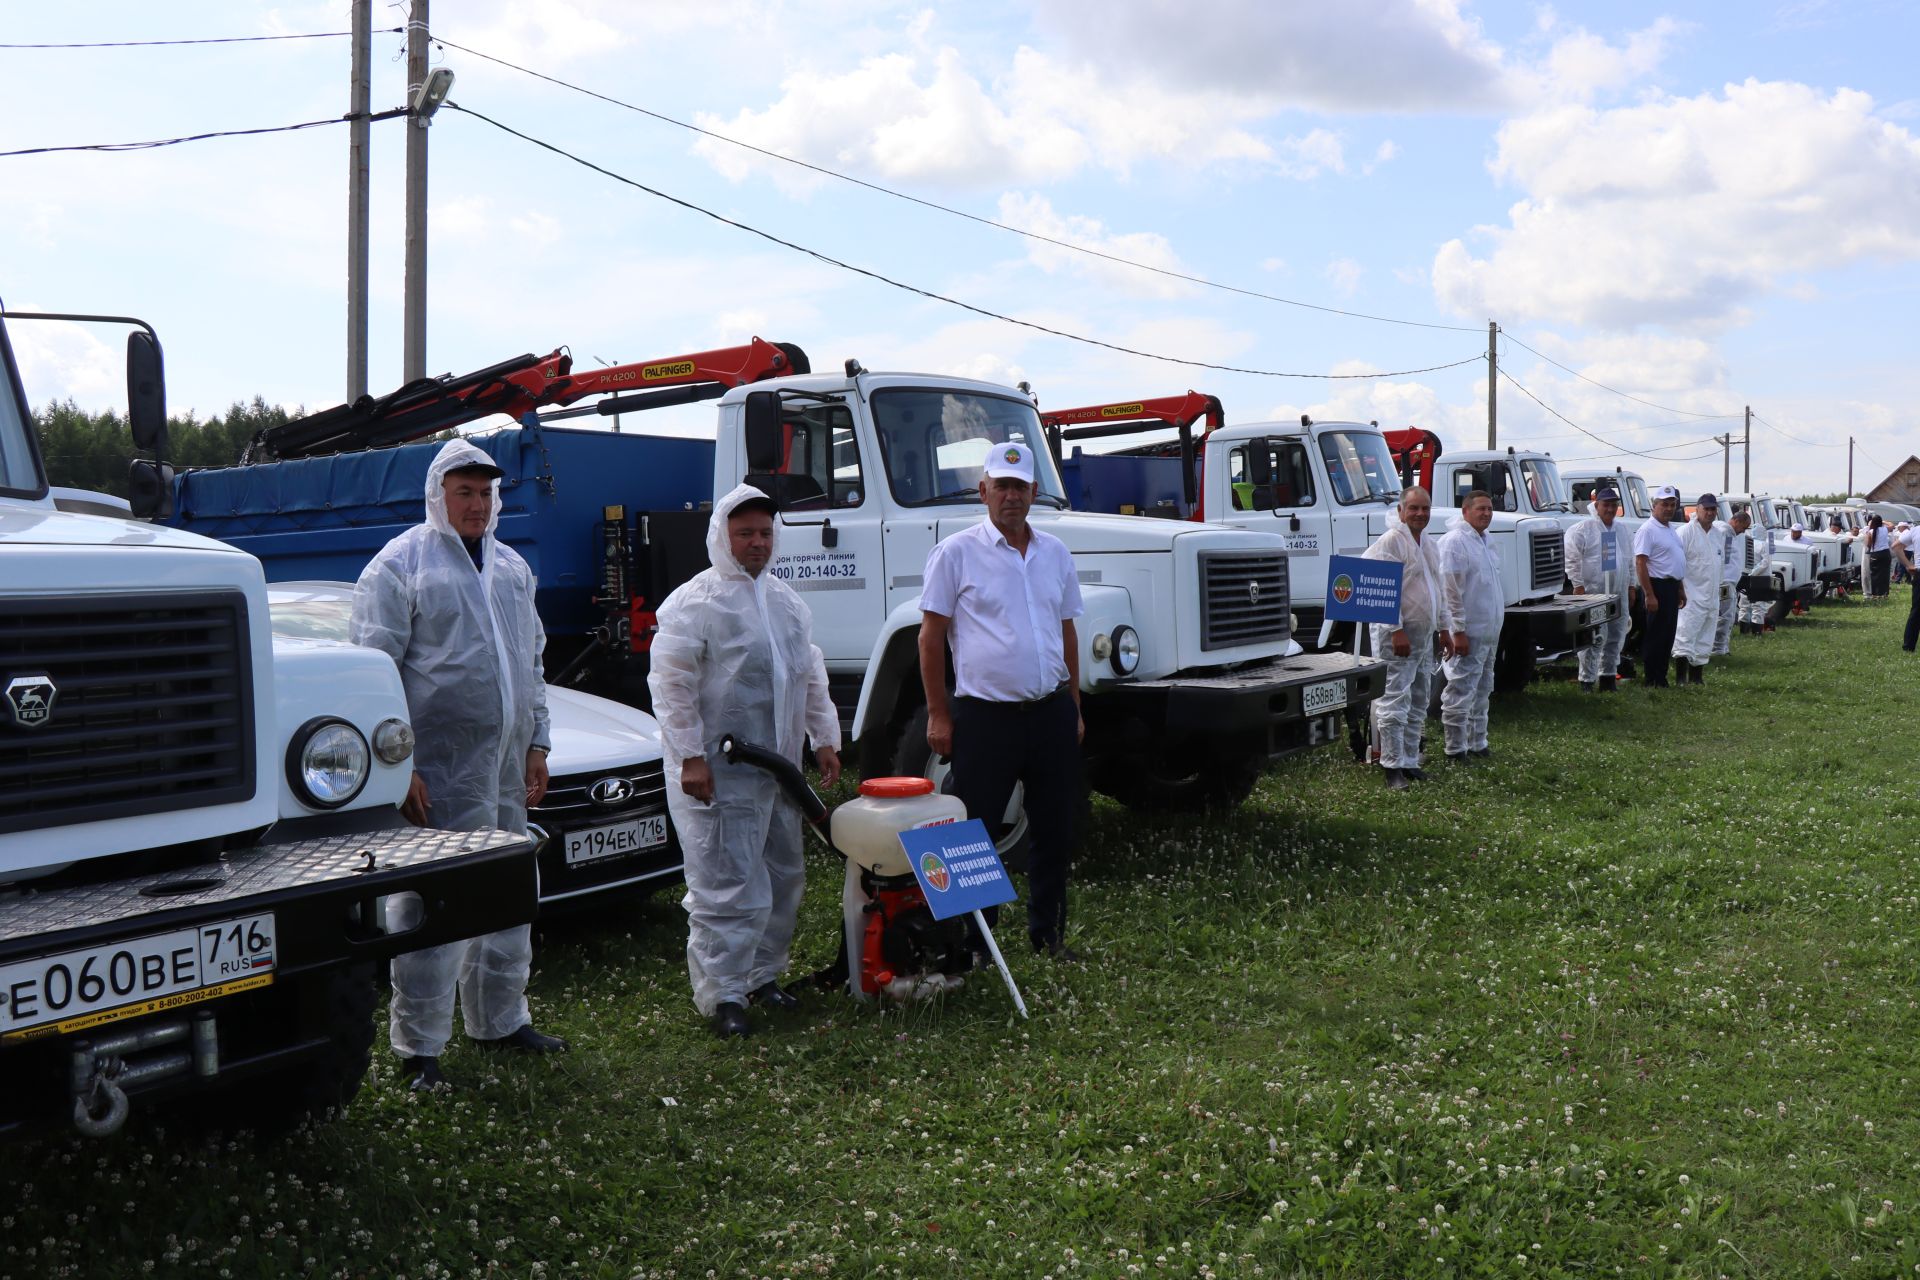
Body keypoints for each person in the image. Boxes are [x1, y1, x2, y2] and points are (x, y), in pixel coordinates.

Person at [350, 438, 568, 1091]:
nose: (477, 504)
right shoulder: (400, 567)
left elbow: (532, 663)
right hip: (438, 773)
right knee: (432, 905)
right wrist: (399, 768)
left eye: (486, 492)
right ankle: (419, 1047)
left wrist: (537, 743)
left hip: (503, 768)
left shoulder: (512, 569)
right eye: (464, 492)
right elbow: (372, 675)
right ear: (437, 495)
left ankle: (500, 1019)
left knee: (508, 895)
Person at [649, 485, 842, 1038]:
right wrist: (690, 757)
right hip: (720, 774)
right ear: (722, 537)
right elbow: (672, 686)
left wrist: (824, 737)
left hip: (777, 772)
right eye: (745, 534)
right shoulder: (694, 603)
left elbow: (809, 673)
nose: (757, 543)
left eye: (764, 533)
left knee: (782, 875)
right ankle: (724, 995)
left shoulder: (786, 603)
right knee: (726, 884)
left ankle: (762, 976)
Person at [919, 441, 1086, 961]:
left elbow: (1067, 632)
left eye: (1020, 487)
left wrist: (1075, 705)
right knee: (975, 832)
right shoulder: (956, 553)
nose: (1011, 496)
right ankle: (976, 944)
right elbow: (929, 638)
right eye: (1001, 486)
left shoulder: (1055, 553)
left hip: (1050, 712)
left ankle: (1047, 934)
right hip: (986, 718)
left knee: (1054, 827)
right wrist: (938, 714)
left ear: (1034, 491)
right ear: (983, 491)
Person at [1363, 486, 1455, 791]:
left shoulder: (1429, 543)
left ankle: (1410, 759)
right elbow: (1379, 588)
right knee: (1394, 699)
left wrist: (1444, 628)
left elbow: (1438, 589)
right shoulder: (1391, 541)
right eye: (1413, 508)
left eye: (1425, 508)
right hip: (1397, 639)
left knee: (1418, 698)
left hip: (1423, 636)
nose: (1420, 514)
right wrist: (1395, 629)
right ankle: (1392, 766)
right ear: (1401, 511)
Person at [1438, 491, 1503, 762]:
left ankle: (1478, 741)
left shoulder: (1486, 540)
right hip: (1469, 632)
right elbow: (1450, 591)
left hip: (1488, 631)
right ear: (1465, 511)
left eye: (1489, 509)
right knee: (1461, 689)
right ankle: (1455, 748)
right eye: (1480, 509)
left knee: (1483, 688)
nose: (1486, 513)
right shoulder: (1455, 542)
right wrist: (1458, 630)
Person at [1564, 485, 1632, 691]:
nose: (1610, 509)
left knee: (1616, 634)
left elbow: (1629, 559)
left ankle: (1608, 677)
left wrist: (1632, 585)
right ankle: (1586, 680)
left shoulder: (1622, 530)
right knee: (1594, 637)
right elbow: (1572, 559)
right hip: (1594, 593)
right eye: (1606, 505)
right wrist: (1578, 586)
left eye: (1614, 505)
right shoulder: (1583, 529)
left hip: (1619, 592)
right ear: (1597, 505)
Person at [1633, 485, 1688, 688]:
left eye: (1672, 505)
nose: (1669, 508)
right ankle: (1652, 679)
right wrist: (1649, 594)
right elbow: (1641, 563)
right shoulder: (1648, 530)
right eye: (1664, 504)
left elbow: (1674, 560)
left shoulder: (1670, 529)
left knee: (1668, 635)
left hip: (1671, 586)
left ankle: (1661, 677)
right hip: (1656, 586)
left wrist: (1680, 588)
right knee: (1655, 635)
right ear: (1654, 506)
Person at [1672, 493, 1726, 684]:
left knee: (1706, 636)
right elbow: (1676, 564)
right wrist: (1679, 590)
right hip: (1691, 594)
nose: (1710, 513)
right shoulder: (1685, 532)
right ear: (1697, 509)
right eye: (1706, 509)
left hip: (1711, 595)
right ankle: (1681, 678)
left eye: (1713, 509)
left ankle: (1697, 677)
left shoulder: (1718, 534)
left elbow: (1720, 562)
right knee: (1685, 634)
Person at [1713, 509, 1747, 656]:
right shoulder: (1725, 533)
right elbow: (1723, 559)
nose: (1743, 531)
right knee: (1724, 616)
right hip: (1725, 582)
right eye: (1744, 527)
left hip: (1729, 582)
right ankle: (1718, 648)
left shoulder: (1729, 534)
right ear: (1736, 521)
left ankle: (1722, 647)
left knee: (1728, 615)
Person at [1893, 519, 1920, 652]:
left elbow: (1896, 547)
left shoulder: (1915, 530)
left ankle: (1908, 646)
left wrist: (1909, 565)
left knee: (1917, 611)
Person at [1865, 514, 1892, 600]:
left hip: (1875, 554)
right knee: (1885, 574)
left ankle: (1876, 594)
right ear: (1880, 522)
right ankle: (1884, 593)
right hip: (1885, 553)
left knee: (1875, 574)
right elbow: (1892, 525)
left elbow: (1868, 544)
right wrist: (1884, 521)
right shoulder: (1885, 529)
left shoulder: (1871, 531)